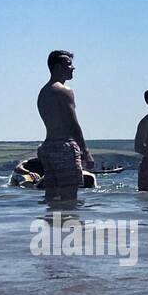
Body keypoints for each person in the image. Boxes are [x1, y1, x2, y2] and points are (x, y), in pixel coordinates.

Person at [36, 49, 94, 199]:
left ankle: (52, 222)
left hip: (48, 146)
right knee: (69, 198)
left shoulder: (44, 92)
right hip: (64, 147)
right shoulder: (64, 91)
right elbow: (72, 124)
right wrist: (85, 151)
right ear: (57, 67)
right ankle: (69, 222)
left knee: (51, 196)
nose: (72, 67)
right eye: (68, 64)